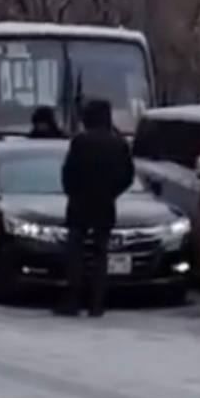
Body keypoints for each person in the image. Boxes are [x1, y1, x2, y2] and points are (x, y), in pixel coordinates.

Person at [58, 99, 135, 318]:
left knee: (75, 253)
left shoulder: (81, 142)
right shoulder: (118, 143)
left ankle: (73, 300)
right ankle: (97, 303)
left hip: (80, 203)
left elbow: (69, 172)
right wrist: (112, 192)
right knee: (101, 254)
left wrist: (73, 192)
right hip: (105, 204)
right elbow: (128, 175)